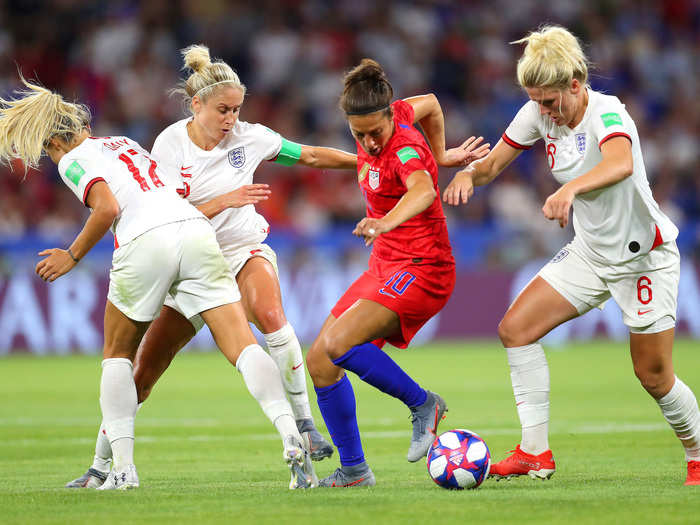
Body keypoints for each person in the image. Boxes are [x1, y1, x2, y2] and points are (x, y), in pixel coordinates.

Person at [0, 76, 316, 490]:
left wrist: (72, 254)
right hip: (195, 229)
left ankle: (122, 471)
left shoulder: (70, 159)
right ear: (84, 127)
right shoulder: (124, 143)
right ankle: (291, 435)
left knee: (117, 355)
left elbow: (107, 207)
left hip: (146, 238)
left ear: (53, 142)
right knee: (242, 346)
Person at [66, 44, 359, 488]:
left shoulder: (250, 137)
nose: (232, 120)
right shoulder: (168, 144)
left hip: (241, 250)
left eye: (238, 110)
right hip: (188, 259)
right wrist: (227, 199)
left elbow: (313, 156)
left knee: (272, 318)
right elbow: (165, 213)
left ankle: (305, 424)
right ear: (197, 104)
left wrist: (374, 162)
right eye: (224, 110)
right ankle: (98, 465)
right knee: (143, 374)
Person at [443, 26, 700, 486]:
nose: (544, 111)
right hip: (590, 252)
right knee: (515, 331)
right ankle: (534, 453)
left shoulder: (607, 112)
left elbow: (619, 163)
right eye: (536, 100)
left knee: (655, 377)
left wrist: (570, 189)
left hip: (643, 257)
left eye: (549, 101)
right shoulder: (537, 114)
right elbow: (495, 164)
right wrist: (469, 175)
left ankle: (697, 454)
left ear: (576, 86)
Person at [305, 58, 490, 487]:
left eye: (376, 132)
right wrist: (443, 153)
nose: (369, 143)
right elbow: (432, 104)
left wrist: (386, 221)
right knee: (319, 360)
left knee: (338, 342)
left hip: (423, 267)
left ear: (391, 118)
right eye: (359, 134)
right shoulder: (401, 110)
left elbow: (424, 190)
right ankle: (354, 470)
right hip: (386, 263)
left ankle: (424, 405)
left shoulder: (403, 147)